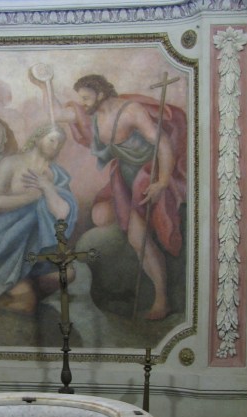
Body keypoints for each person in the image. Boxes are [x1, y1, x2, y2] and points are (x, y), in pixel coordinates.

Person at [37, 73, 187, 320]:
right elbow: (57, 113)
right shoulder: (94, 114)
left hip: (148, 174)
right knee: (100, 215)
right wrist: (44, 83)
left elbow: (162, 143)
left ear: (101, 94)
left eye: (86, 98)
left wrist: (161, 182)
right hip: (124, 176)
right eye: (81, 99)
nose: (83, 103)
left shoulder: (131, 111)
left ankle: (162, 299)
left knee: (138, 238)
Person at [0, 123, 78, 318]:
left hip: (38, 245)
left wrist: (47, 188)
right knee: (26, 302)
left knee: (68, 274)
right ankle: (14, 288)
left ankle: (22, 286)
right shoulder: (11, 163)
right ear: (38, 138)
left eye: (60, 143)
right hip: (2, 236)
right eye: (52, 140)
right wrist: (31, 198)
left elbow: (62, 214)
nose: (55, 146)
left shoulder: (56, 174)